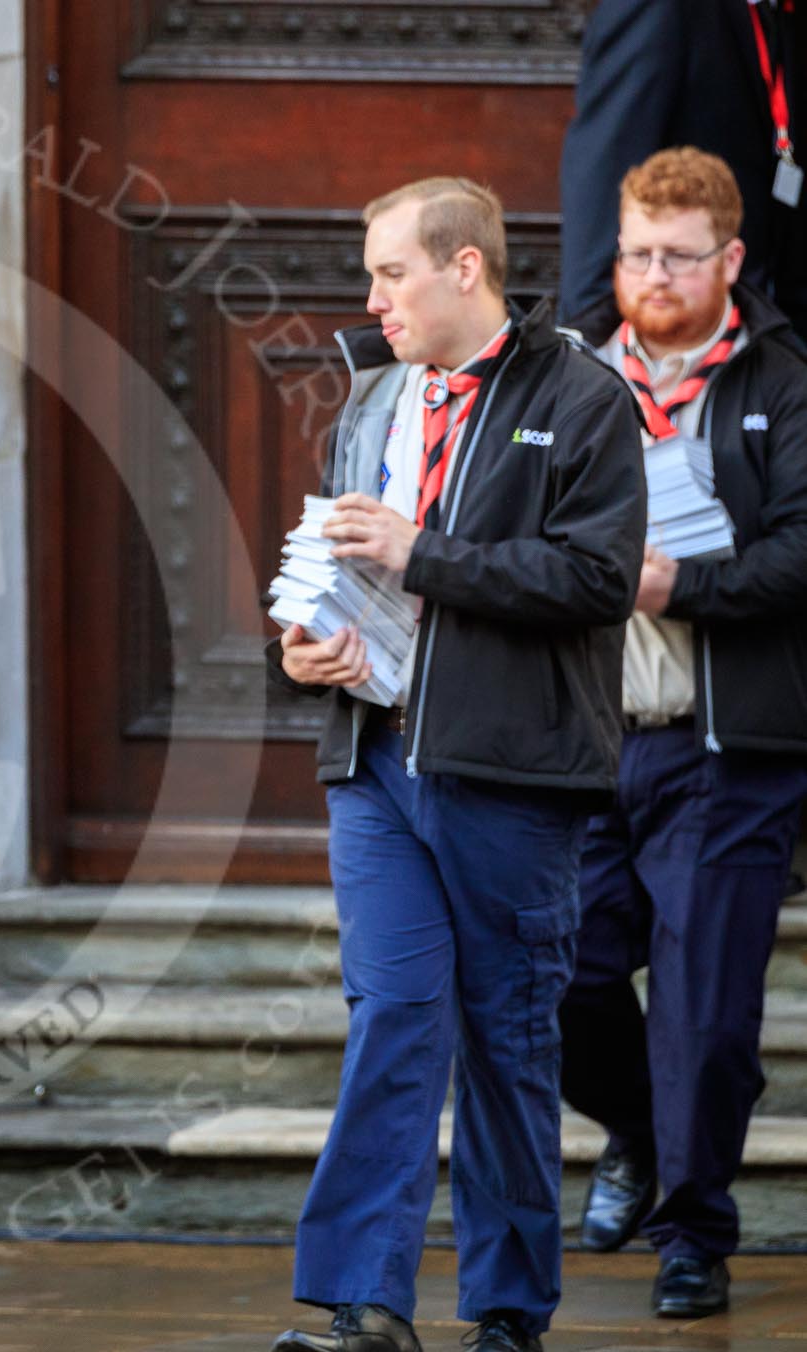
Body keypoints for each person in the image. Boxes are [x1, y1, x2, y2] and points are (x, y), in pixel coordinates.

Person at [266, 179, 645, 1352]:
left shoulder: (581, 397)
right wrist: (303, 647)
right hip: (376, 759)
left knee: (507, 1040)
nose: (373, 297)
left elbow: (597, 581)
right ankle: (363, 1303)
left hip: (513, 773)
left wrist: (425, 551)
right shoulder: (372, 400)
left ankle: (508, 1313)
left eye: (392, 272)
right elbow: (343, 569)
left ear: (466, 268)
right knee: (392, 1015)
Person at [558, 147, 807, 1317]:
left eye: (677, 255)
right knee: (559, 973)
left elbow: (803, 552)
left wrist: (680, 586)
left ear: (730, 259)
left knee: (708, 1012)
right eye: (634, 252)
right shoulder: (565, 376)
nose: (651, 275)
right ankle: (644, 1139)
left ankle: (693, 1237)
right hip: (581, 743)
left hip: (724, 748)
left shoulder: (781, 379)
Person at [559, 0, 806, 335]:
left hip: (759, 331)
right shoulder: (652, 8)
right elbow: (602, 181)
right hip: (670, 343)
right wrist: (589, 345)